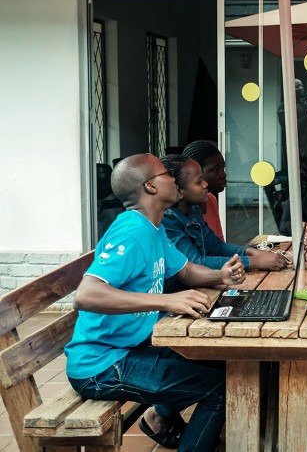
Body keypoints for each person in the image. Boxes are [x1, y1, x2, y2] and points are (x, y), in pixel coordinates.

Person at [65, 153, 247, 451]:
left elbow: (186, 270)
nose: (174, 180)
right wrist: (166, 301)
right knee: (219, 389)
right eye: (166, 174)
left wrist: (221, 275)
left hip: (129, 349)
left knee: (223, 364)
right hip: (101, 366)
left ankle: (170, 425)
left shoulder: (154, 228)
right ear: (150, 187)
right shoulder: (131, 231)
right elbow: (86, 295)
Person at [160, 154, 288, 292]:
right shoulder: (167, 221)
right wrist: (253, 261)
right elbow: (195, 263)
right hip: (177, 298)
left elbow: (216, 247)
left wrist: (251, 251)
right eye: (198, 182)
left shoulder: (193, 210)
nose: (205, 184)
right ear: (179, 191)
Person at [182, 140, 227, 241]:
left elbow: (220, 243)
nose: (223, 174)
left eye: (223, 168)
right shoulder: (183, 210)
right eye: (215, 170)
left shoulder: (211, 199)